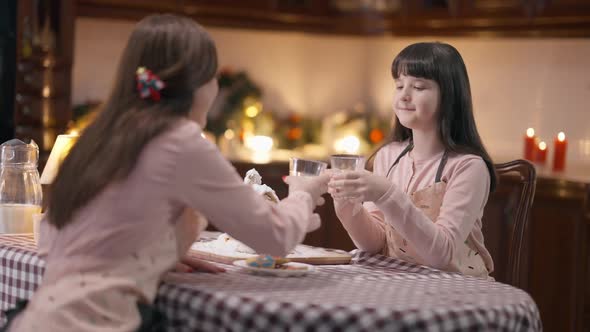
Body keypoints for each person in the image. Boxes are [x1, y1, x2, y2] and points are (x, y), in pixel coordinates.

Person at [3, 14, 328, 332]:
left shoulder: (99, 135)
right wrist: (304, 193)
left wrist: (156, 252)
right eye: (213, 76)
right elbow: (274, 236)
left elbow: (51, 237)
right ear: (199, 84)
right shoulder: (180, 142)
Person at [328, 42, 496, 278]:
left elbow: (442, 254)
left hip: (457, 292)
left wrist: (386, 194)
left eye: (418, 86)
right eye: (399, 85)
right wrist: (347, 205)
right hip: (400, 283)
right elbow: (375, 244)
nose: (404, 95)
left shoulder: (469, 167)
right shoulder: (388, 156)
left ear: (450, 96)